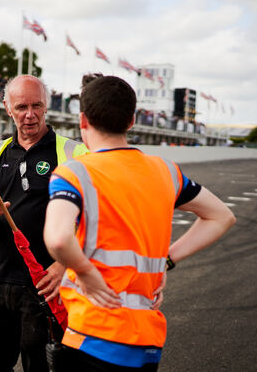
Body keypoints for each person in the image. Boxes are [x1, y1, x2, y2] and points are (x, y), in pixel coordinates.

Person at [43, 74, 236, 371]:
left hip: (93, 334)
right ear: (131, 121)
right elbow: (222, 216)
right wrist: (166, 261)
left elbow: (57, 238)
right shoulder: (166, 172)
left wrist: (86, 272)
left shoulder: (74, 173)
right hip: (146, 340)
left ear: (83, 120)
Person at [0, 74, 88, 372]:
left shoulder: (75, 154)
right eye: (22, 106)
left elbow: (94, 220)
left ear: (47, 105)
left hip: (48, 286)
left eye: (37, 105)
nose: (30, 114)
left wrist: (64, 266)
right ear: (7, 107)